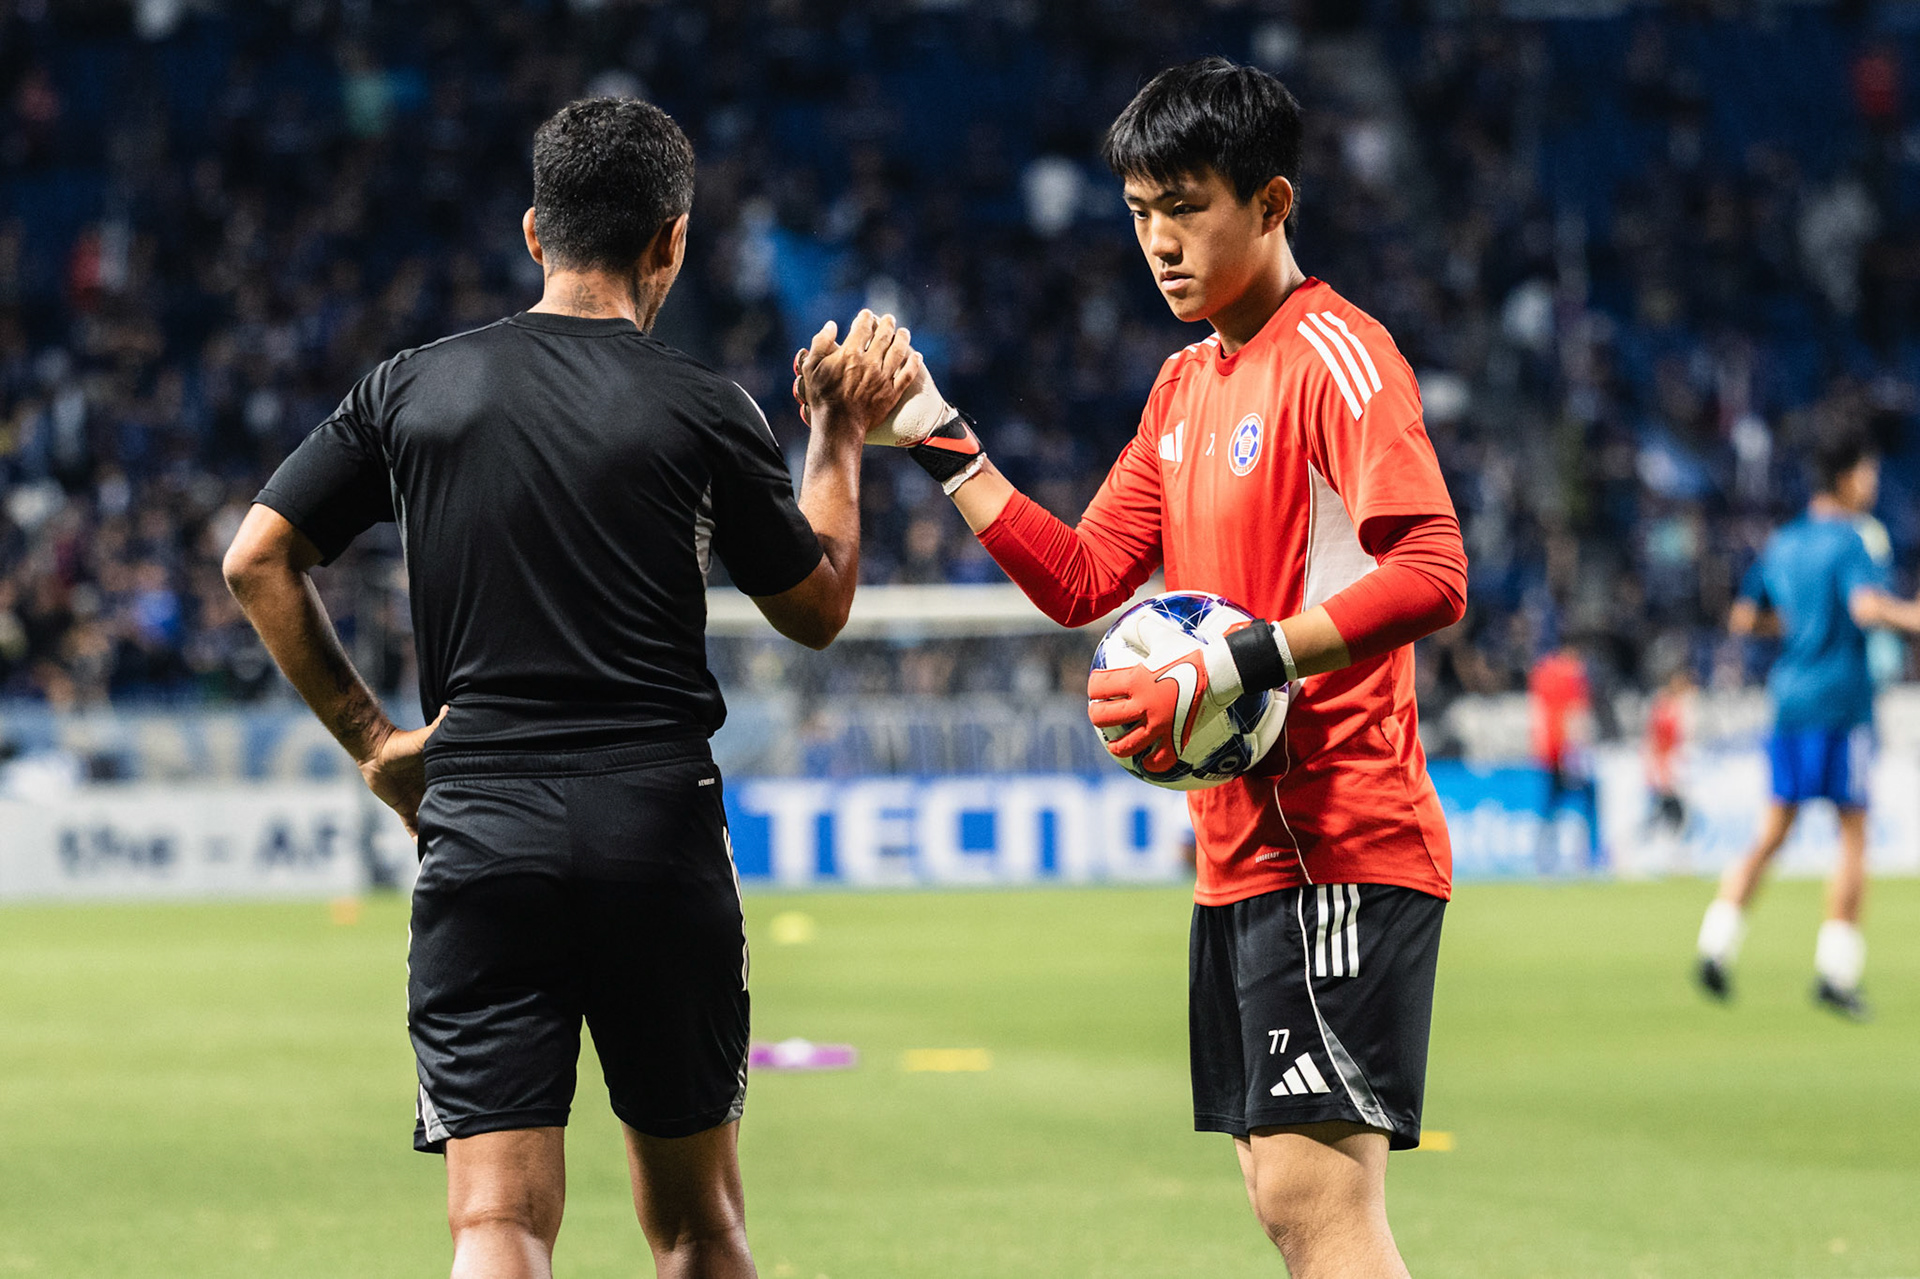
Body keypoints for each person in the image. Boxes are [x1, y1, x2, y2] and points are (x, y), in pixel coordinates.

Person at [222, 97, 918, 1279]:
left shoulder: (410, 390)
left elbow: (255, 559)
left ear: (535, 233)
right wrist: (839, 438)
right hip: (658, 825)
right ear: (674, 242)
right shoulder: (705, 407)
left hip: (481, 825)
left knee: (497, 1223)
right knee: (700, 1227)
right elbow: (819, 608)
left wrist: (374, 740)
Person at [803, 59, 1467, 1276]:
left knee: (1321, 1205)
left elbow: (1433, 570)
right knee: (1284, 1196)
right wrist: (936, 433)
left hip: (1340, 834)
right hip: (1241, 848)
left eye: (1187, 205)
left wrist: (1241, 657)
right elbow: (1084, 577)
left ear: (1271, 204)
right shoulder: (1183, 384)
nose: (1159, 241)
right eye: (1139, 213)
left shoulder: (1338, 354)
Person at [1695, 435, 1920, 1021]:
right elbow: (1867, 608)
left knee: (1773, 830)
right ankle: (1836, 973)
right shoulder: (1851, 539)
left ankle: (1715, 944)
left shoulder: (1785, 540)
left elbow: (1745, 618)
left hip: (1789, 699)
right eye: (1867, 470)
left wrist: (1797, 628)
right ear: (1845, 476)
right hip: (1842, 703)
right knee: (1852, 836)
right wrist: (1912, 616)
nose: (1872, 482)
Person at [1527, 641, 1596, 871]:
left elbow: (1537, 711)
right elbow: (1575, 713)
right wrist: (1578, 749)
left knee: (1550, 806)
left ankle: (1544, 860)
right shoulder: (1572, 673)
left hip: (1547, 752)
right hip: (1567, 750)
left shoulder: (1541, 671)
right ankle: (1584, 859)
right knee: (1585, 802)